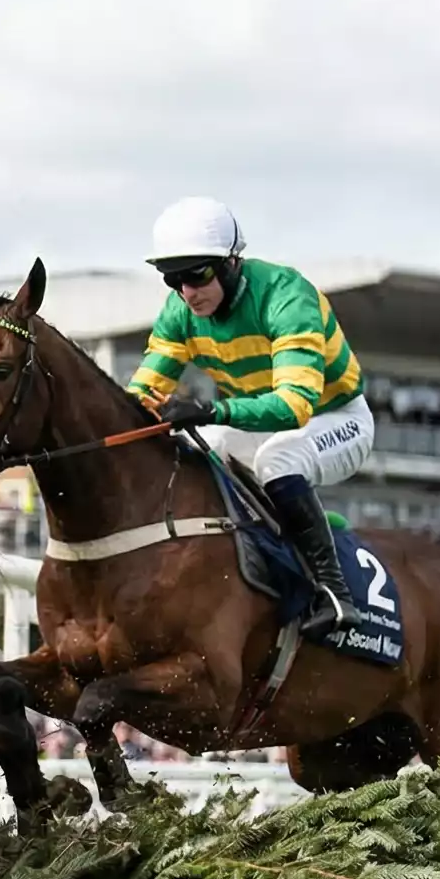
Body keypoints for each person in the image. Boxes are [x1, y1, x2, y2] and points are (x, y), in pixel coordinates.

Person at [128, 198, 375, 638]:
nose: (187, 292)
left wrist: (211, 409)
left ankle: (334, 593)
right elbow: (140, 393)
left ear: (231, 262)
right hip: (264, 424)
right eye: (173, 279)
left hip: (335, 418)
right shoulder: (179, 312)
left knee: (278, 460)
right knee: (199, 448)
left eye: (197, 274)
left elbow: (294, 407)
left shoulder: (286, 295)